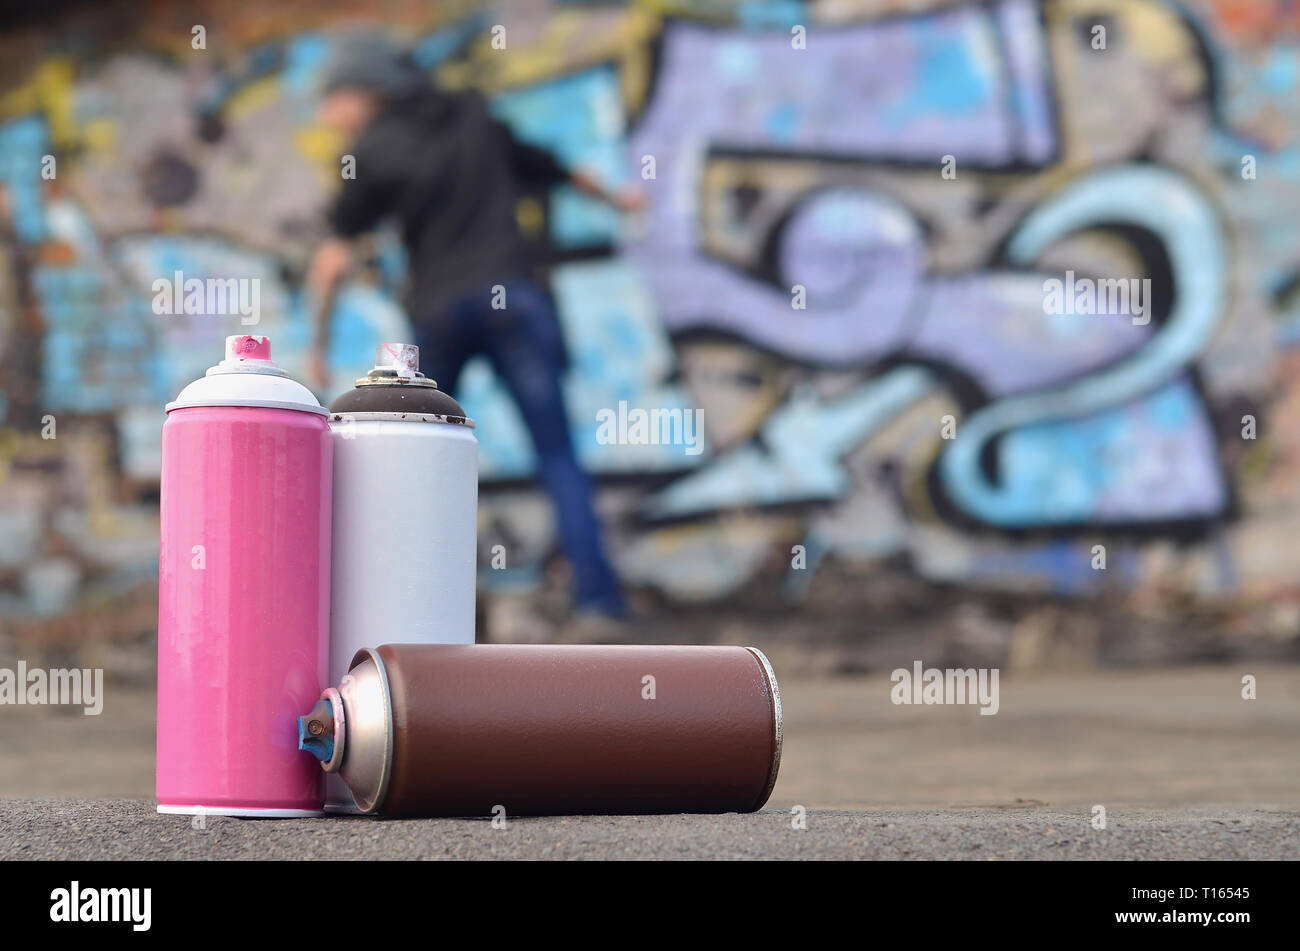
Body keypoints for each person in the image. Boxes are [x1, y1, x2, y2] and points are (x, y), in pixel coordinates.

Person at [306, 33, 639, 620]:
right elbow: (551, 166)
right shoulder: (470, 113)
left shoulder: (373, 152)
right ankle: (598, 602)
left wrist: (316, 350)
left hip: (439, 313)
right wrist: (620, 200)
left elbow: (331, 258)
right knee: (558, 455)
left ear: (366, 92)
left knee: (413, 455)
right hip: (515, 300)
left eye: (334, 98)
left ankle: (403, 610)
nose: (328, 115)